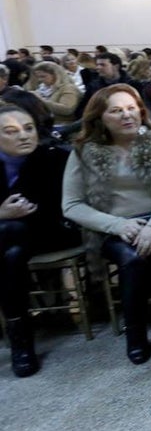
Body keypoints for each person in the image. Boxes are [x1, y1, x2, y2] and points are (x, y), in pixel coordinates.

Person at [62, 85, 151, 364]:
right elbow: (71, 205)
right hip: (113, 227)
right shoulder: (84, 150)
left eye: (131, 108)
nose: (127, 115)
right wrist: (118, 226)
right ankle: (136, 332)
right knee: (132, 257)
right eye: (116, 110)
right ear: (100, 117)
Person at [0, 105, 78, 376]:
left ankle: (18, 334)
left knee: (12, 233)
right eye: (11, 132)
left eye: (28, 128)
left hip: (54, 231)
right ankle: (21, 337)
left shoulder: (54, 157)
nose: (23, 136)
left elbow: (64, 207)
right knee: (11, 247)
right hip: (14, 244)